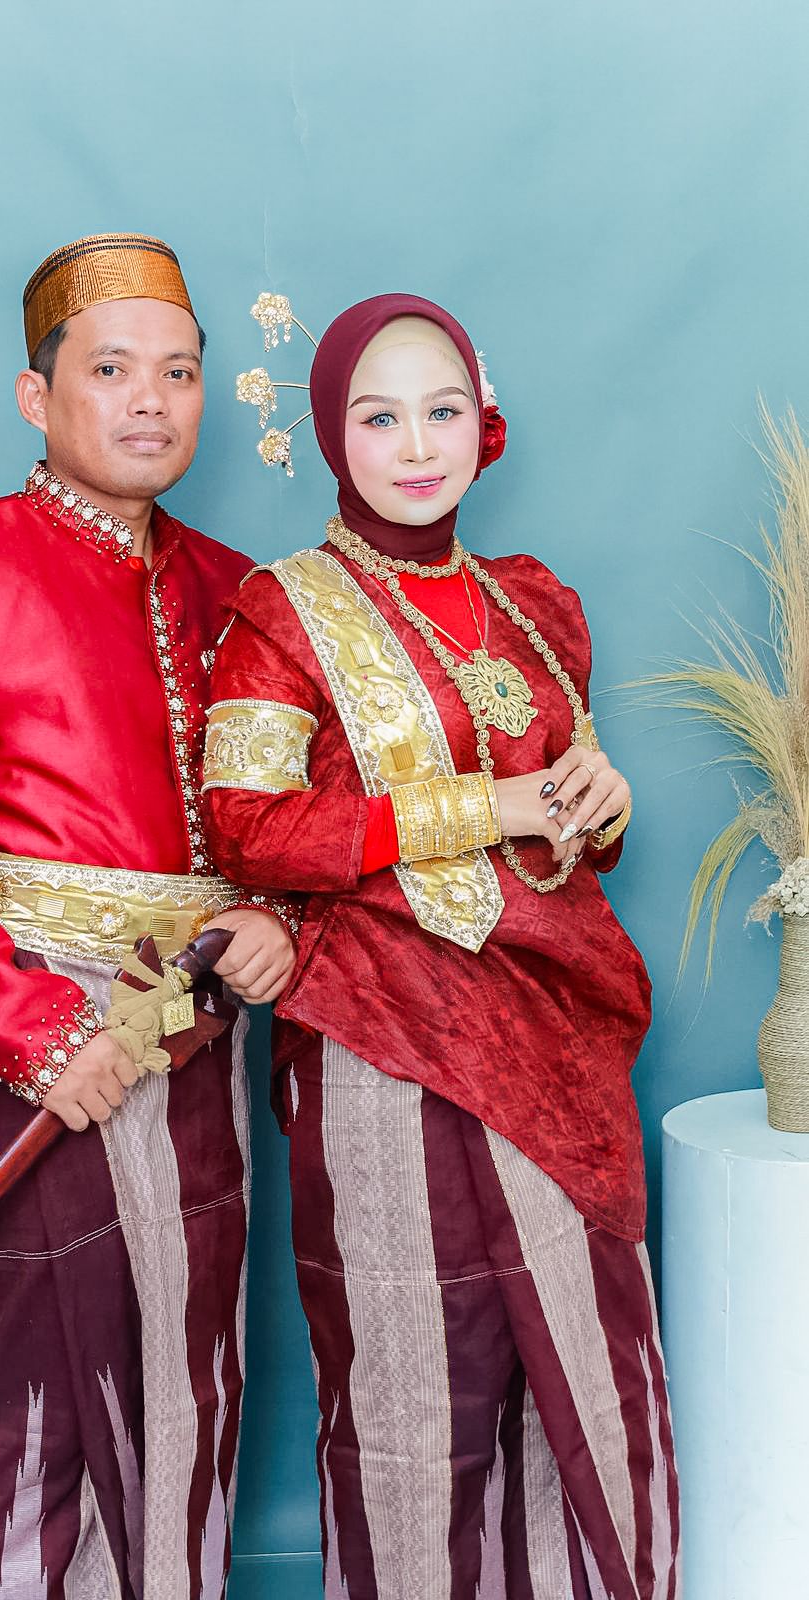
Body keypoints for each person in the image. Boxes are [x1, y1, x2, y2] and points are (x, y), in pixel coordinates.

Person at [0, 232, 296, 1600]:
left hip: (197, 1041)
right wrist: (30, 1031)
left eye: (181, 373)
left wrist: (276, 916)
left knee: (192, 1377)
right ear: (37, 397)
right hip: (32, 1048)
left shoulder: (237, 592)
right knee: (35, 1394)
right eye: (112, 370)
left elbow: (273, 819)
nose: (152, 399)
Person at [202, 294, 679, 1598]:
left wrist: (598, 802)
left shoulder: (534, 606)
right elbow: (246, 825)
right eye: (379, 417)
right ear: (330, 436)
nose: (416, 445)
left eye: (442, 410)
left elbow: (559, 828)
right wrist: (487, 806)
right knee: (418, 1379)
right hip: (381, 1039)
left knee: (586, 1368)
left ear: (485, 424)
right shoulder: (281, 611)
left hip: (556, 1033)